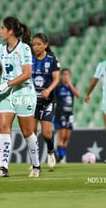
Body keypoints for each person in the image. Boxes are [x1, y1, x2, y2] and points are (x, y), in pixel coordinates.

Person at [0, 16, 40, 178]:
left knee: (27, 132)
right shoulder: (1, 48)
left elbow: (27, 74)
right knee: (3, 128)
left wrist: (5, 85)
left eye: (2, 28)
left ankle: (36, 165)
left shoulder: (24, 48)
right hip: (7, 94)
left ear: (10, 31)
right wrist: (5, 86)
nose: (0, 31)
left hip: (23, 93)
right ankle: (3, 168)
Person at [31, 33, 60, 170]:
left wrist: (48, 90)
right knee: (30, 133)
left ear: (46, 45)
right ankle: (35, 162)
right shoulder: (29, 59)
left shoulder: (52, 59)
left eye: (39, 44)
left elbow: (56, 79)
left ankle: (50, 151)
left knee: (46, 133)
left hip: (47, 101)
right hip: (31, 101)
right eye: (34, 44)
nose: (35, 47)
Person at [54, 68, 81, 163]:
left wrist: (70, 85)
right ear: (61, 76)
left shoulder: (72, 86)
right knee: (61, 136)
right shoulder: (58, 86)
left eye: (67, 74)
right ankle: (59, 155)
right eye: (64, 74)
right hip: (60, 113)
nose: (66, 76)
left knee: (67, 137)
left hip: (69, 114)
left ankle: (61, 155)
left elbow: (78, 95)